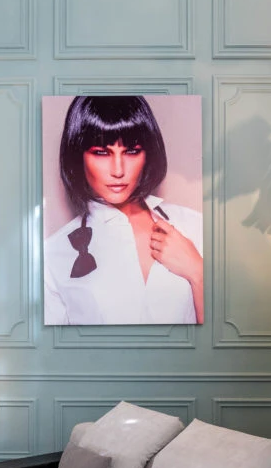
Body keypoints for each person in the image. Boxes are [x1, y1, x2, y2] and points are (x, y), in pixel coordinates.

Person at [44, 96, 203, 325]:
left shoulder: (195, 226)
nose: (118, 170)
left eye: (131, 151)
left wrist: (198, 273)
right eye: (101, 152)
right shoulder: (52, 257)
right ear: (78, 156)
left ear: (148, 154)